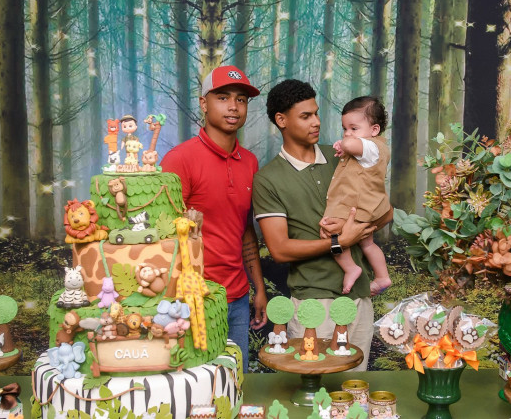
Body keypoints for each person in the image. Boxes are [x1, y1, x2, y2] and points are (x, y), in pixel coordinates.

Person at [252, 79, 376, 371]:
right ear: (281, 120)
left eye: (316, 113)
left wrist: (367, 222)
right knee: (316, 390)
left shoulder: (341, 157)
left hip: (360, 297)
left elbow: (380, 208)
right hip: (314, 304)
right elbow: (280, 249)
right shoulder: (268, 179)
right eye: (306, 116)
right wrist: (340, 242)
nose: (317, 122)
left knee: (354, 389)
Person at [161, 65, 268, 372]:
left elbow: (244, 229)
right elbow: (165, 235)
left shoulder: (250, 162)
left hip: (237, 298)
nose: (233, 106)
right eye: (223, 97)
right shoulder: (179, 159)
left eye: (241, 99)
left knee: (235, 382)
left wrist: (258, 288)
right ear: (203, 103)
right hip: (192, 300)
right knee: (197, 385)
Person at [321, 96, 393, 295]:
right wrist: (345, 144)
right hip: (368, 206)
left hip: (355, 206)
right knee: (368, 243)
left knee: (330, 232)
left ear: (374, 130)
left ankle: (350, 267)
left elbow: (352, 145)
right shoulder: (367, 147)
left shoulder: (371, 147)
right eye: (344, 128)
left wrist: (344, 144)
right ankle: (382, 276)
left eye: (353, 128)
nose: (347, 134)